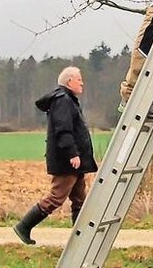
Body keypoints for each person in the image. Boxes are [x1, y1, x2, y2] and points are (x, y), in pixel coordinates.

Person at [13, 66, 98, 244]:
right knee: (56, 198)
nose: (82, 83)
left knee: (80, 200)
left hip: (74, 161)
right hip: (68, 161)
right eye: (79, 79)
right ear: (69, 81)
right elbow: (63, 131)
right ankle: (24, 226)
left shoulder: (69, 100)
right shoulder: (63, 100)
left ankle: (80, 239)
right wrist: (72, 154)